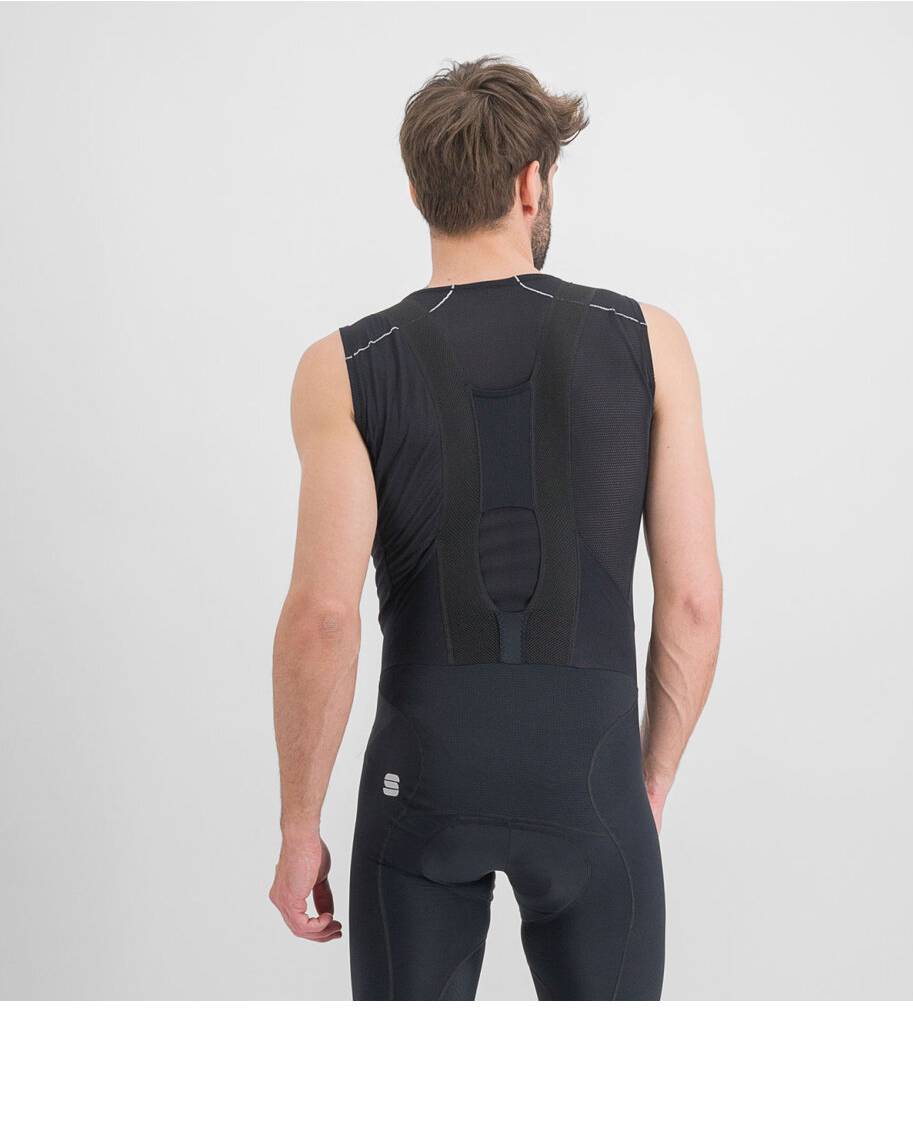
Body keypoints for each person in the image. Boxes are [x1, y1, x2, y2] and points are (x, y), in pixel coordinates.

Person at [269, 56, 723, 1000]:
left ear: (417, 193)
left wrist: (299, 824)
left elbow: (323, 617)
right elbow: (691, 602)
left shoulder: (343, 367)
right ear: (531, 185)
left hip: (421, 785)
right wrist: (645, 785)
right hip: (591, 779)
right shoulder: (650, 341)